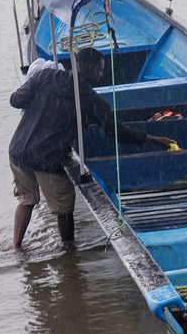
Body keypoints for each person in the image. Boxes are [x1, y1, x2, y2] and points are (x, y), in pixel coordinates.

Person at [9, 46, 174, 250]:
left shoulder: (44, 76)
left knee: (26, 200)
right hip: (47, 158)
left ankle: (16, 246)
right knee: (64, 207)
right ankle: (69, 251)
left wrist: (41, 102)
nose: (102, 74)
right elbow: (116, 131)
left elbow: (16, 100)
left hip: (18, 150)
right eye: (100, 69)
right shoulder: (89, 99)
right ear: (88, 68)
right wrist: (154, 139)